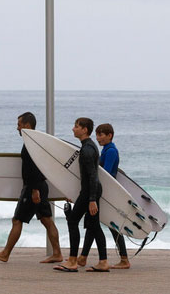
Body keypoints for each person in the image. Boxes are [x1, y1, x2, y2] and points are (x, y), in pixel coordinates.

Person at [0, 112, 63, 263]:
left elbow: (35, 167)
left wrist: (34, 190)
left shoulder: (31, 143)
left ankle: (5, 254)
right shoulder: (36, 141)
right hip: (40, 186)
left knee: (17, 220)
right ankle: (57, 253)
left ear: (27, 125)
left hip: (33, 188)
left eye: (19, 125)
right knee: (47, 220)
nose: (17, 128)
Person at [54, 117, 109, 273]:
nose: (73, 129)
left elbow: (92, 176)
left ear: (85, 130)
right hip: (90, 190)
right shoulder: (89, 147)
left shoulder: (87, 150)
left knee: (72, 221)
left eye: (76, 126)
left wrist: (91, 200)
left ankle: (72, 261)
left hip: (90, 191)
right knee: (94, 225)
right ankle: (103, 262)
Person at [78, 123, 130, 269]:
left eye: (101, 135)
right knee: (92, 223)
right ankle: (83, 257)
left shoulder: (111, 151)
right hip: (103, 191)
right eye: (97, 135)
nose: (98, 138)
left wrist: (93, 193)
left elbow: (105, 174)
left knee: (110, 225)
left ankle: (124, 259)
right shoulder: (106, 150)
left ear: (109, 135)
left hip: (106, 192)